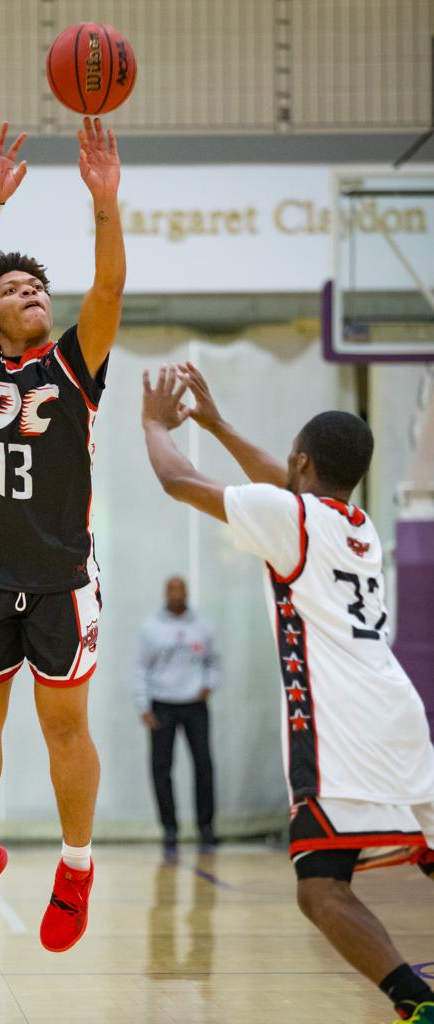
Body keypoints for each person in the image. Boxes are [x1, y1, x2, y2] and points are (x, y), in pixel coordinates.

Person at [140, 361, 434, 1022]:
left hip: (342, 728)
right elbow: (282, 485)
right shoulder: (352, 525)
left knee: (322, 887)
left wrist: (156, 424)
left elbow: (176, 478)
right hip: (400, 713)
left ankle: (416, 1004)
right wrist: (214, 422)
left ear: (302, 463)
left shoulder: (296, 518)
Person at [0, 118, 125, 953]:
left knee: (63, 731)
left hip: (59, 580)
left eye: (36, 289)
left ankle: (76, 868)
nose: (31, 295)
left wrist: (105, 205)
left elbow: (108, 294)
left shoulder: (75, 366)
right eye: (13, 290)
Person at [135, 575, 220, 860]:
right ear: (164, 593)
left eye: (180, 591)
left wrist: (209, 684)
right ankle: (169, 828)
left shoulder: (202, 627)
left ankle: (205, 826)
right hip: (162, 705)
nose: (176, 596)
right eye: (171, 591)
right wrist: (143, 706)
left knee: (203, 765)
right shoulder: (151, 628)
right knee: (161, 768)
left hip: (195, 704)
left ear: (186, 593)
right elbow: (141, 668)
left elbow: (214, 661)